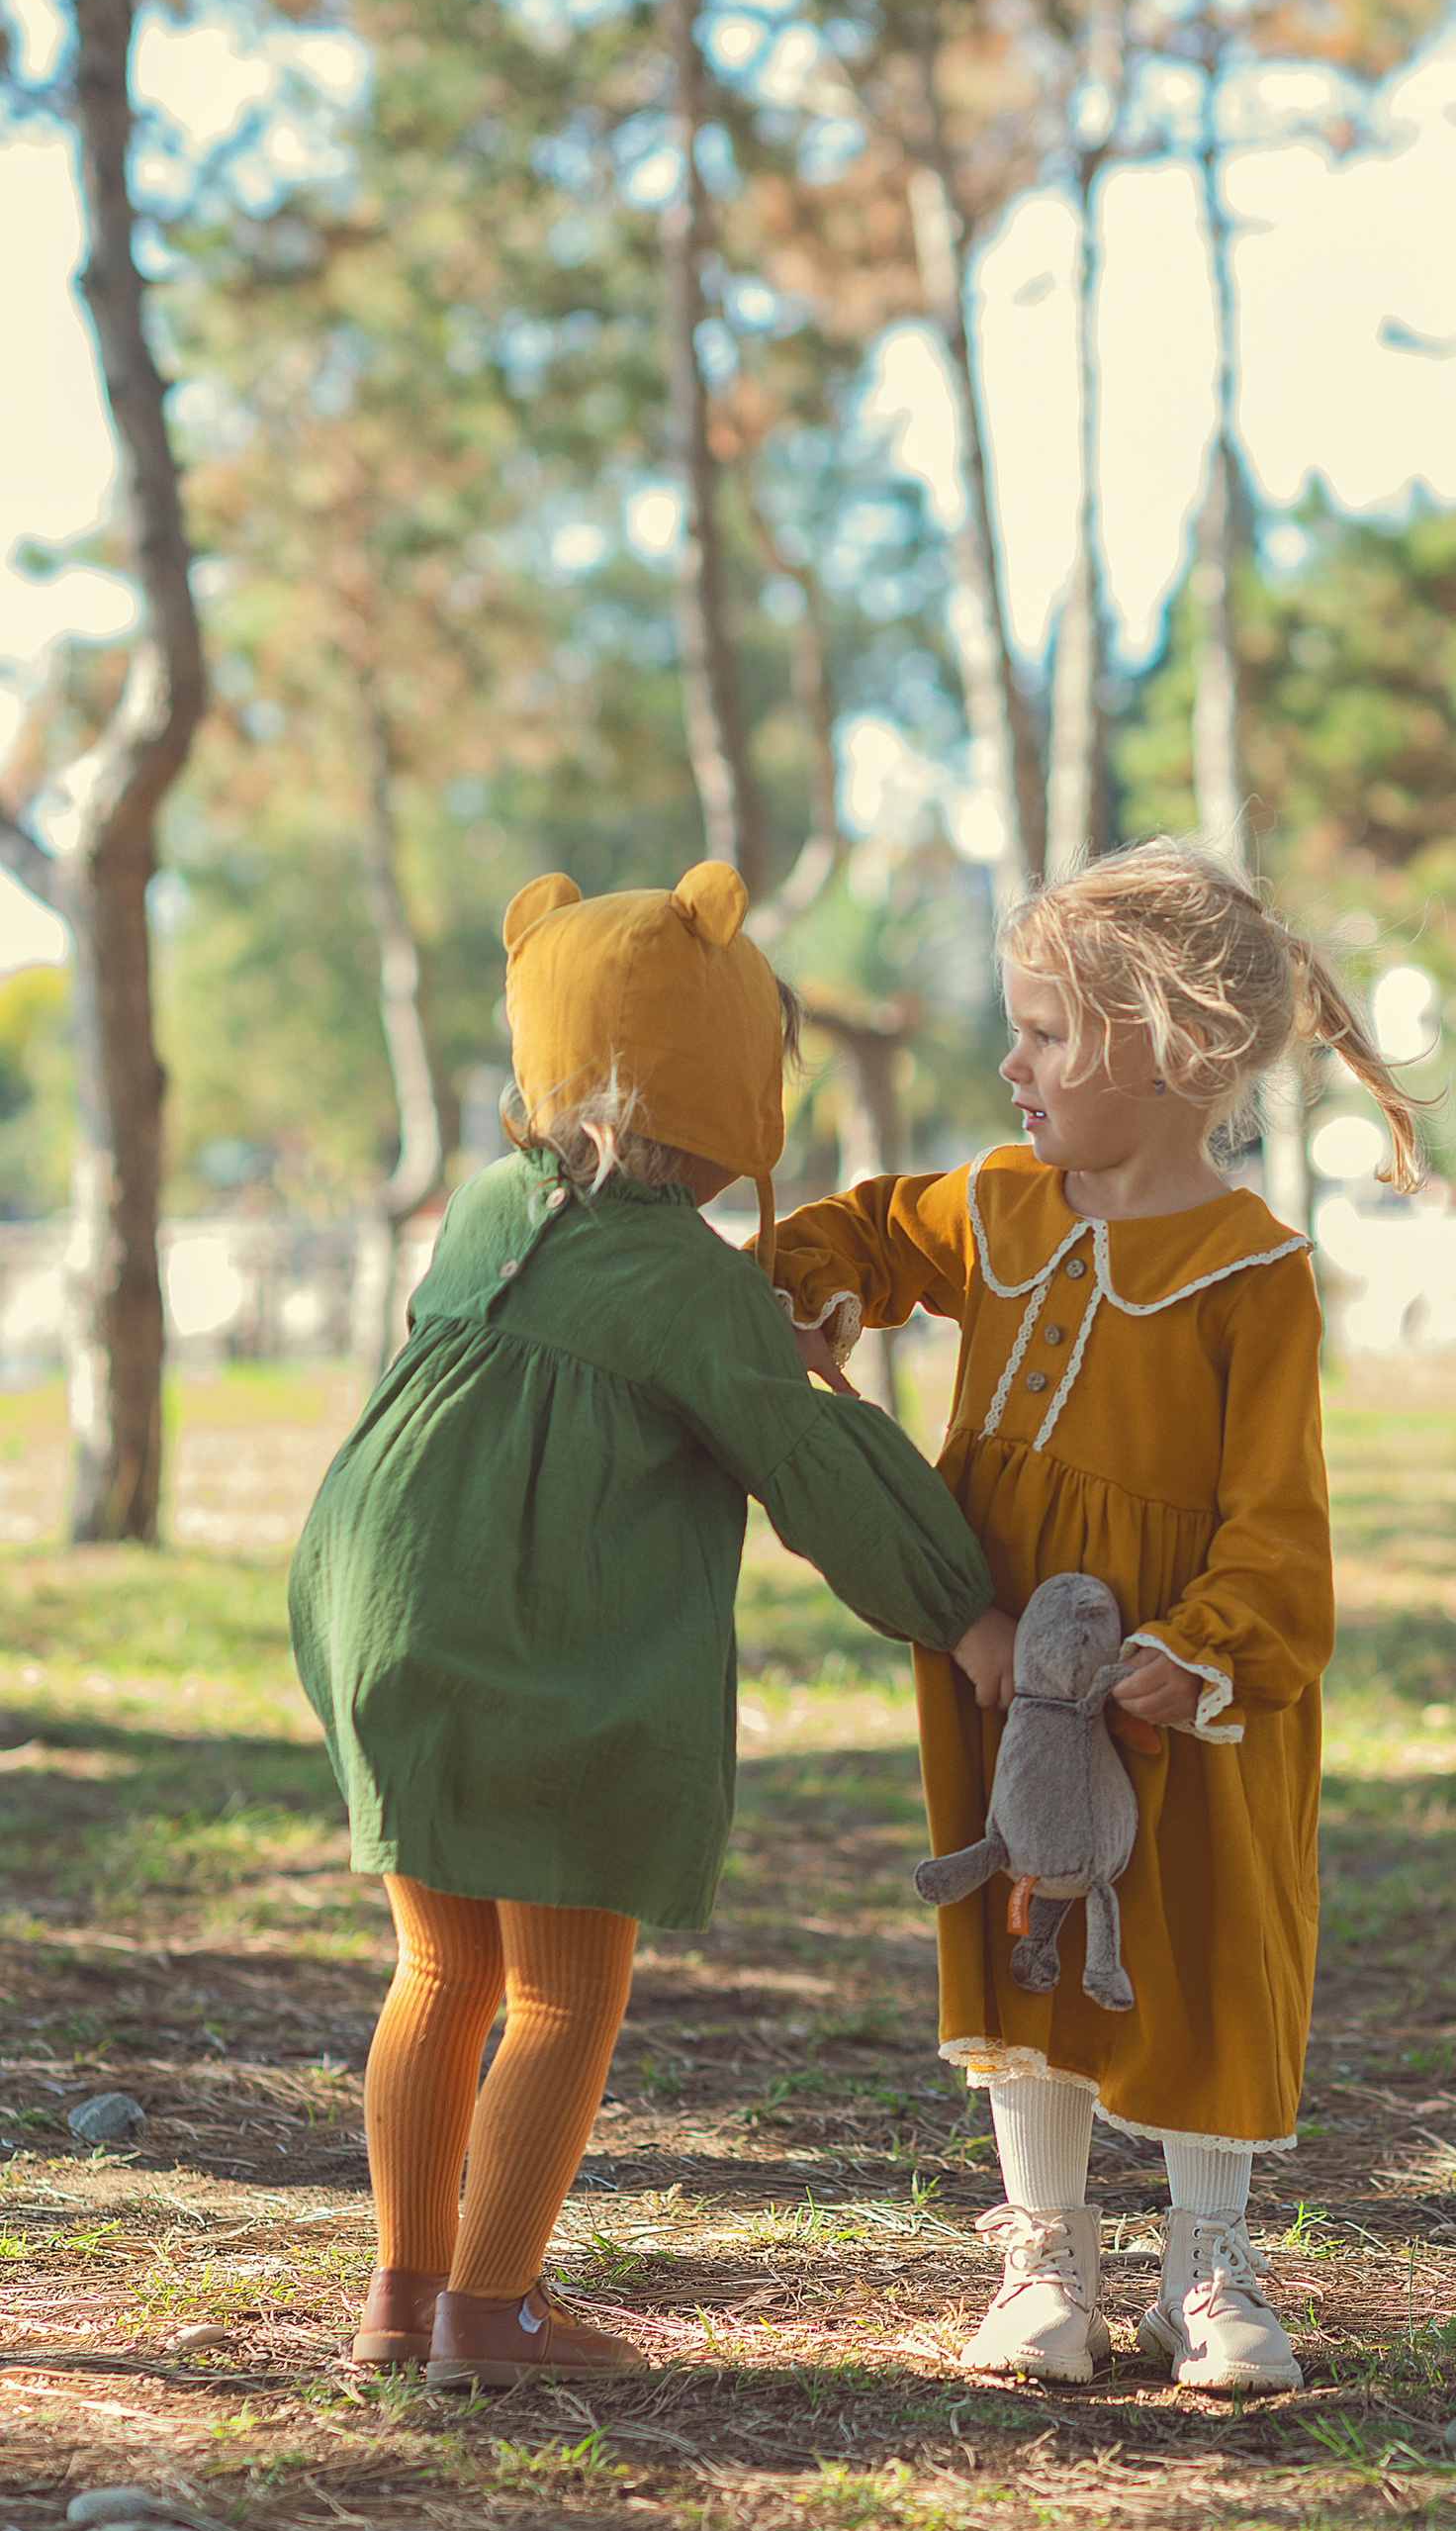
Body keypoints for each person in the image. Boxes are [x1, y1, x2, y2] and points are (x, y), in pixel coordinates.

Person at [290, 861, 1008, 2393]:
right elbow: (814, 1471)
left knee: (440, 1970)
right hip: (544, 1648)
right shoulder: (694, 1288)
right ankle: (495, 2314)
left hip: (378, 1604)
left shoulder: (490, 1207)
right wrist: (964, 1612)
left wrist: (752, 1322)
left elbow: (571, 1334)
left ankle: (401, 2302)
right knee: (562, 1989)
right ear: (730, 1088)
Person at [772, 837, 1419, 2393]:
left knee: (1201, 1932)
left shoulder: (1253, 1270)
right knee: (1029, 1921)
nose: (1013, 1065)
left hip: (1171, 1676)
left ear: (1172, 1048)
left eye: (1047, 1034)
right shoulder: (997, 1207)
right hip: (1006, 1646)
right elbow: (859, 1233)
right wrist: (798, 1291)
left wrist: (1202, 1648)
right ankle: (1043, 2258)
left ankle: (1209, 2266)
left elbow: (1279, 1516)